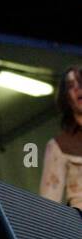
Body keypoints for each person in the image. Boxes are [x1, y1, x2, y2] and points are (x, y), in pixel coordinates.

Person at [40, 66, 82, 209]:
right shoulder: (59, 146)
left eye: (81, 82)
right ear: (67, 98)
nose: (77, 88)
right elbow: (49, 205)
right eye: (71, 86)